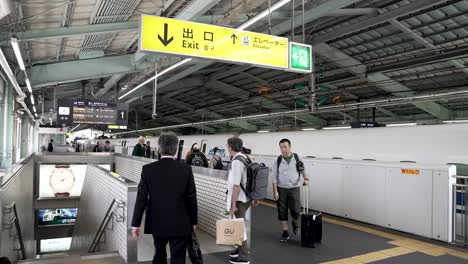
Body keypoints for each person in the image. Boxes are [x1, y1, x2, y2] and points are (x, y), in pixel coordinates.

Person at [132, 132, 198, 264]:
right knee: (178, 257)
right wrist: (194, 221)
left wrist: (136, 224)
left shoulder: (148, 170)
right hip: (180, 222)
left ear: (159, 149)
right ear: (175, 150)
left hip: (157, 221)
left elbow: (141, 199)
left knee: (159, 253)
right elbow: (191, 197)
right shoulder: (186, 169)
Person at [226, 137, 259, 264]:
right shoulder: (246, 157)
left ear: (230, 147)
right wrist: (255, 197)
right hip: (248, 198)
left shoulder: (236, 162)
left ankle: (244, 257)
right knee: (239, 225)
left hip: (240, 200)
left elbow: (236, 186)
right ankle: (239, 250)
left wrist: (233, 204)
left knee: (240, 228)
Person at [272, 138, 309, 243]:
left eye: (285, 147)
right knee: (282, 211)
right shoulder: (278, 161)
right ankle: (285, 231)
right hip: (281, 189)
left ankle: (295, 222)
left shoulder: (297, 158)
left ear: (290, 147)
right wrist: (275, 191)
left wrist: (306, 179)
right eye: (281, 147)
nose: (283, 149)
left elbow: (303, 171)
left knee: (296, 210)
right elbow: (274, 177)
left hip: (294, 188)